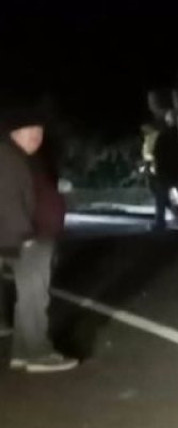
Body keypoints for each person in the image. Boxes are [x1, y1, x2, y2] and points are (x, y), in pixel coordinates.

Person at [0, 111, 77, 373]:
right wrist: (25, 236)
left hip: (35, 235)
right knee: (34, 298)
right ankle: (38, 353)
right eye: (29, 130)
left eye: (39, 130)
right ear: (14, 132)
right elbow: (7, 199)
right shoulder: (8, 157)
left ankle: (23, 352)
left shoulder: (22, 157)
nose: (36, 136)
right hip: (29, 238)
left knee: (29, 297)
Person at [151, 111, 178, 230]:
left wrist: (157, 170)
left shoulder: (162, 137)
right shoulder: (177, 138)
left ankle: (160, 222)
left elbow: (157, 155)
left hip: (165, 172)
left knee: (161, 198)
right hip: (176, 171)